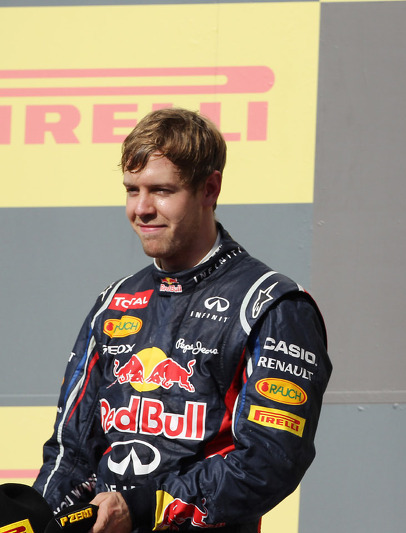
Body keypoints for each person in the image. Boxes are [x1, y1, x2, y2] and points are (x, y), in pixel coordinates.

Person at [34, 108, 332, 533]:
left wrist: (143, 507)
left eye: (161, 190)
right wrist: (43, 518)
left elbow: (269, 461)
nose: (141, 209)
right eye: (131, 190)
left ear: (210, 188)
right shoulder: (114, 301)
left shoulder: (272, 305)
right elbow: (71, 450)